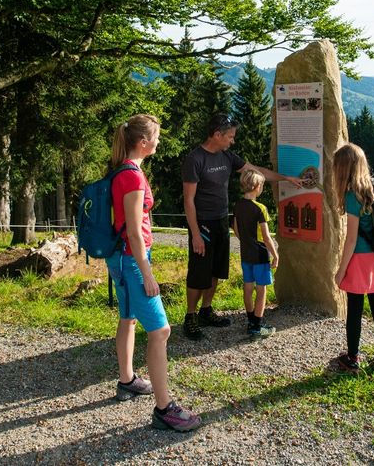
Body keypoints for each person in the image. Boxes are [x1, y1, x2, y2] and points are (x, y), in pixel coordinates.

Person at [108, 114, 202, 431]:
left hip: (122, 259)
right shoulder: (132, 177)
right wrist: (147, 273)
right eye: (157, 137)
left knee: (128, 318)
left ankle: (127, 380)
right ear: (144, 142)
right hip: (132, 259)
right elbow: (134, 232)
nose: (159, 142)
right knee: (160, 332)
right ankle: (164, 410)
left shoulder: (122, 170)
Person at [181, 113, 303, 340]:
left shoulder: (227, 156)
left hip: (221, 221)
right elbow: (188, 200)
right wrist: (195, 234)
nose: (232, 141)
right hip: (202, 224)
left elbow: (257, 171)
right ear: (217, 135)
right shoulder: (195, 159)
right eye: (229, 136)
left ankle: (206, 311)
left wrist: (286, 178)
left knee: (216, 270)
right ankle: (190, 317)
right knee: (199, 272)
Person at [331, 143, 374, 375]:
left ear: (344, 168)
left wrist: (340, 270)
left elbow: (351, 240)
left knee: (355, 309)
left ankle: (353, 357)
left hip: (359, 259)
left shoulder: (352, 196)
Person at [231, 169, 280, 338]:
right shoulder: (260, 208)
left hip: (246, 253)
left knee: (248, 286)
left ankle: (251, 320)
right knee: (261, 289)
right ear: (258, 186)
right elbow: (266, 237)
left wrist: (246, 241)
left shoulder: (237, 205)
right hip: (260, 255)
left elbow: (236, 229)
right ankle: (257, 326)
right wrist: (275, 254)